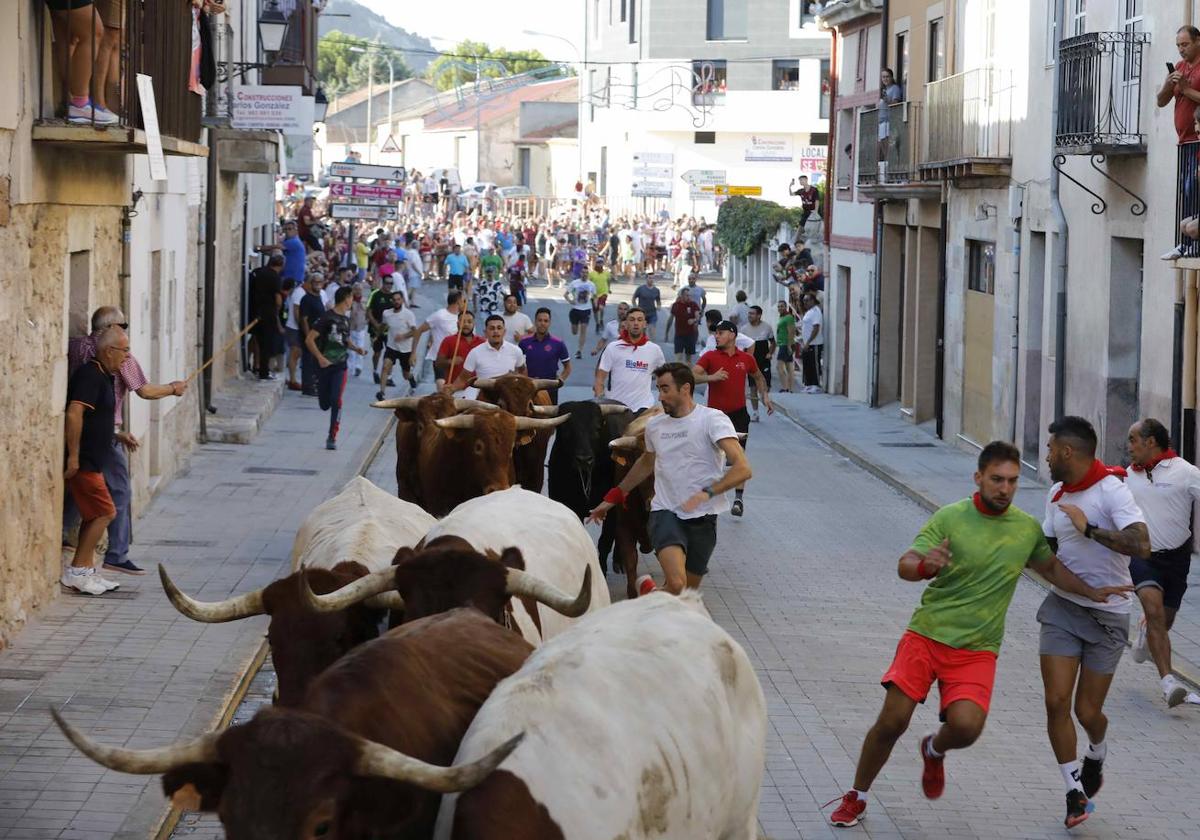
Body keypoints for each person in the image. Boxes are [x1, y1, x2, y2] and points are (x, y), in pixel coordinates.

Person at [828, 442, 1131, 830]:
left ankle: (934, 750)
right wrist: (925, 566)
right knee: (892, 720)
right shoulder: (951, 517)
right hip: (927, 635)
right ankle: (857, 795)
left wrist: (1092, 592)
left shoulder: (1025, 529)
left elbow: (1052, 569)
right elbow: (905, 564)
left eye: (1012, 481)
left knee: (967, 727)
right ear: (978, 478)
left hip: (976, 650)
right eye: (996, 480)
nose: (1005, 488)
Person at [1040, 416, 1149, 828]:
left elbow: (1142, 544)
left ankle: (1097, 750)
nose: (1047, 456)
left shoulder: (1112, 491)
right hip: (1063, 609)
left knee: (1087, 712)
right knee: (1055, 702)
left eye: (1051, 449)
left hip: (1109, 616)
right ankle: (1073, 792)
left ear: (1068, 452)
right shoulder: (1054, 493)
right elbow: (1048, 552)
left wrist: (1091, 531)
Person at [589, 363, 750, 595]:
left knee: (686, 594)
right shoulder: (655, 425)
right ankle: (650, 597)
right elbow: (646, 462)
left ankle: (650, 601)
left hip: (704, 517)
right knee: (676, 584)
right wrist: (613, 497)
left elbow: (743, 468)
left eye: (665, 389)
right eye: (658, 389)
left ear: (685, 389)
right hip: (665, 512)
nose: (660, 396)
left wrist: (708, 492)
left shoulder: (713, 420)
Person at [64, 307, 185, 577]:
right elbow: (144, 390)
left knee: (75, 491)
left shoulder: (74, 347)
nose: (125, 335)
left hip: (81, 433)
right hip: (101, 437)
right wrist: (173, 388)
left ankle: (64, 539)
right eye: (122, 326)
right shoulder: (115, 354)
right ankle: (116, 555)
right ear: (110, 330)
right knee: (116, 495)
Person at [1124, 418, 1200, 707]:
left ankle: (1145, 630)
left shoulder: (1185, 472)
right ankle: (1169, 684)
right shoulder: (1127, 475)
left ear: (1150, 442)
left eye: (1133, 440)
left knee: (1164, 620)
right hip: (1142, 558)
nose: (1128, 446)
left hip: (1177, 559)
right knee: (1155, 612)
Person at [62, 327, 129, 595]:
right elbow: (74, 413)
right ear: (109, 351)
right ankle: (77, 570)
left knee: (95, 514)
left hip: (94, 461)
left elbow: (97, 419)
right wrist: (74, 457)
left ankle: (86, 570)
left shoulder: (103, 376)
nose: (126, 357)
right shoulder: (90, 375)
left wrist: (118, 435)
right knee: (105, 513)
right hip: (85, 461)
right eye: (124, 351)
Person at [694, 320, 772, 517]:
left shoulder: (746, 358)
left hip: (738, 414)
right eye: (715, 333)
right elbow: (691, 376)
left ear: (732, 334)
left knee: (739, 457)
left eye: (720, 333)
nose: (716, 336)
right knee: (709, 458)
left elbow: (758, 377)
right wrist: (711, 378)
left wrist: (765, 396)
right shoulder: (710, 356)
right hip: (714, 416)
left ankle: (738, 499)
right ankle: (707, 498)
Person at [305, 286, 366, 450]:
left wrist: (356, 349)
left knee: (336, 400)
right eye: (351, 298)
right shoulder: (326, 318)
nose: (352, 301)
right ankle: (324, 398)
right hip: (324, 366)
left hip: (340, 365)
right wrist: (320, 358)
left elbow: (344, 340)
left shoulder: (346, 320)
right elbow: (309, 340)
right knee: (325, 404)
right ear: (346, 298)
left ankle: (332, 436)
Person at [1158, 26, 1200, 259]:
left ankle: (1193, 243)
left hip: (1198, 141)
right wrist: (1168, 84)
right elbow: (1161, 101)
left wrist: (1186, 89)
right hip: (1184, 142)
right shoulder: (1181, 67)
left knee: (1192, 189)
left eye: (1185, 44)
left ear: (1197, 41)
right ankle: (1184, 244)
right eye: (1178, 46)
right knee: (1185, 195)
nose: (1181, 50)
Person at [594, 307, 665, 413]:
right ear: (626, 324)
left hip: (643, 406)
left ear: (645, 324)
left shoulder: (655, 350)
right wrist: (600, 399)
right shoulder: (613, 347)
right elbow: (599, 378)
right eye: (632, 320)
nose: (636, 323)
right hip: (616, 407)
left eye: (640, 320)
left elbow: (664, 377)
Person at [444, 314, 527, 399]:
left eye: (499, 328)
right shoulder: (475, 353)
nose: (496, 331)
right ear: (485, 332)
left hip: (509, 397)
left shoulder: (516, 350)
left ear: (504, 331)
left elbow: (523, 372)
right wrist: (451, 389)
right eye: (492, 328)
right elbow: (463, 379)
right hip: (485, 398)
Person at [408, 290, 464, 385]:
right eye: (464, 301)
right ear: (458, 302)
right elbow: (419, 331)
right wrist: (413, 353)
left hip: (457, 360)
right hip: (440, 359)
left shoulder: (463, 318)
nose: (465, 304)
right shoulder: (439, 315)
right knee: (441, 387)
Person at [518, 308, 572, 404]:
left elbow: (567, 367)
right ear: (535, 321)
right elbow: (518, 366)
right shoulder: (524, 342)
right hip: (529, 387)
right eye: (540, 320)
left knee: (549, 417)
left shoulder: (558, 343)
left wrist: (560, 380)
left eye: (546, 321)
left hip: (550, 388)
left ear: (549, 323)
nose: (542, 323)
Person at [375, 290, 418, 402]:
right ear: (391, 301)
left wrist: (403, 336)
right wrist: (377, 336)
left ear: (402, 300)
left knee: (405, 375)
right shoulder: (387, 313)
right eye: (394, 300)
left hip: (405, 349)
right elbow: (383, 326)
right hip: (392, 347)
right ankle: (382, 392)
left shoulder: (408, 314)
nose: (396, 302)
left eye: (398, 299)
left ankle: (411, 377)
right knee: (385, 366)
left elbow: (415, 332)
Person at [249, 255, 284, 380]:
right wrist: (277, 311)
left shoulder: (259, 272)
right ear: (281, 265)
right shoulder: (275, 277)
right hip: (268, 314)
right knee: (267, 344)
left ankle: (255, 366)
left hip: (255, 311)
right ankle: (264, 371)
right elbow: (278, 299)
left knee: (257, 340)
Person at [741, 306, 775, 422]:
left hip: (764, 360)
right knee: (753, 387)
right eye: (749, 313)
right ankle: (755, 413)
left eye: (752, 314)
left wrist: (770, 353)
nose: (749, 315)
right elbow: (742, 347)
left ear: (759, 315)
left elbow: (773, 342)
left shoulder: (767, 327)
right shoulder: (744, 329)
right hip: (751, 360)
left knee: (766, 386)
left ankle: (764, 398)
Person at [435, 310, 483, 388]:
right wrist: (450, 361)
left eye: (469, 322)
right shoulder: (448, 340)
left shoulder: (482, 342)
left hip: (477, 387)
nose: (466, 324)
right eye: (462, 321)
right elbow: (438, 363)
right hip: (453, 387)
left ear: (474, 324)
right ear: (457, 323)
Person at [298, 272, 327, 396]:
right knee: (308, 361)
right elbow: (304, 319)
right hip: (309, 335)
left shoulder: (319, 297)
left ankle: (313, 385)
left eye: (320, 282)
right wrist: (308, 336)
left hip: (318, 335)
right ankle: (308, 387)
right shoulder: (306, 299)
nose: (318, 284)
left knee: (314, 361)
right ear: (311, 283)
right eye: (316, 282)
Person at [366, 275, 394, 384]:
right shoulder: (375, 294)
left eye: (391, 283)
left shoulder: (393, 296)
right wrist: (376, 325)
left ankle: (389, 376)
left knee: (390, 354)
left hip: (389, 331)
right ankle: (375, 371)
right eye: (387, 283)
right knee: (377, 352)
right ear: (383, 283)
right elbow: (368, 311)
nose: (389, 286)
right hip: (375, 329)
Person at [565, 270, 597, 359]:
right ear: (580, 273)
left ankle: (579, 351)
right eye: (583, 272)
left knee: (583, 329)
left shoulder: (591, 284)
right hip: (575, 310)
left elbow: (594, 296)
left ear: (588, 274)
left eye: (586, 272)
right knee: (574, 332)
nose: (585, 274)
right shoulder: (574, 283)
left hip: (586, 310)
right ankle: (574, 325)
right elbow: (565, 294)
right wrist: (570, 301)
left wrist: (595, 304)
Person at [877, 68, 904, 175]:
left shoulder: (894, 89)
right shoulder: (884, 90)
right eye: (883, 77)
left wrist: (886, 100)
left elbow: (895, 103)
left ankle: (891, 167)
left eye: (887, 76)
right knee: (883, 146)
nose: (885, 79)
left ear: (891, 77)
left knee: (888, 146)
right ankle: (887, 166)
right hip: (882, 121)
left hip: (889, 120)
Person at [665, 287, 701, 363]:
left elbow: (698, 317)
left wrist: (694, 320)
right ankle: (678, 374)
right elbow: (670, 319)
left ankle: (687, 374)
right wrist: (666, 333)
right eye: (686, 295)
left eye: (689, 295)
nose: (688, 297)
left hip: (690, 335)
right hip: (679, 335)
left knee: (688, 360)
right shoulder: (676, 305)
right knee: (678, 358)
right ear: (681, 296)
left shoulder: (693, 304)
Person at [798, 292, 824, 393]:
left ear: (813, 300)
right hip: (806, 343)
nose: (805, 302)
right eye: (804, 300)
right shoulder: (809, 312)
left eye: (807, 300)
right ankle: (808, 384)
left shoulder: (816, 311)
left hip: (814, 343)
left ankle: (816, 385)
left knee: (814, 364)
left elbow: (816, 328)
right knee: (807, 364)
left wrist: (808, 342)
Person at [347, 282, 369, 379]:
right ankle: (350, 368)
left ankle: (358, 367)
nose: (358, 291)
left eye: (360, 289)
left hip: (361, 328)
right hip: (351, 327)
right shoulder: (349, 300)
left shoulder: (365, 300)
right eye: (356, 289)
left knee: (360, 347)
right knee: (351, 348)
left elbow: (368, 311)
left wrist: (366, 321)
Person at [775, 300, 797, 392]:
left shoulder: (788, 317)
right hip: (782, 344)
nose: (780, 308)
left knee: (779, 367)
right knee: (789, 367)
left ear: (786, 307)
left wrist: (789, 346)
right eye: (779, 306)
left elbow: (791, 332)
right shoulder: (782, 317)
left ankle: (785, 387)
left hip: (785, 344)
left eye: (782, 306)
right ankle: (790, 388)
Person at [632, 273, 663, 339]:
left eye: (652, 278)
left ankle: (650, 346)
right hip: (642, 313)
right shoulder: (640, 288)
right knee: (642, 333)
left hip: (652, 313)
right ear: (646, 279)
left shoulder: (656, 290)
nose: (651, 280)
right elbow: (634, 298)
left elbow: (658, 300)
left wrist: (659, 305)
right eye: (649, 278)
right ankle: (642, 345)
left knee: (652, 332)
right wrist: (635, 307)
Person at [589, 258, 611, 330]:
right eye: (598, 263)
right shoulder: (592, 273)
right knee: (595, 310)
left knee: (601, 307)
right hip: (594, 294)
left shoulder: (606, 273)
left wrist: (609, 288)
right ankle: (597, 323)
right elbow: (588, 283)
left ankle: (601, 319)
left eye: (601, 263)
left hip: (603, 292)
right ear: (596, 263)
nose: (600, 264)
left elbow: (608, 281)